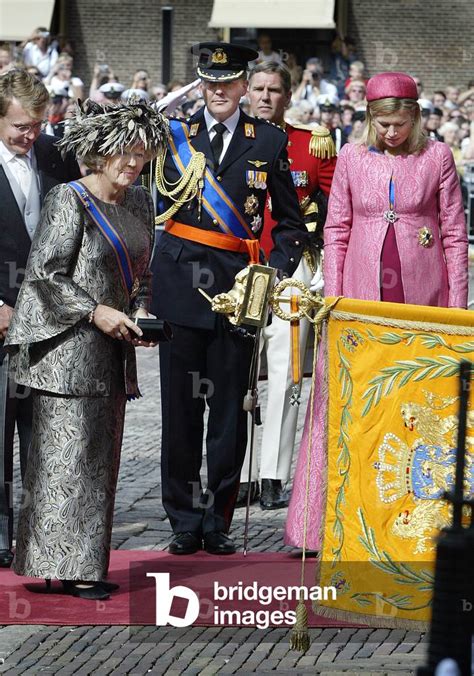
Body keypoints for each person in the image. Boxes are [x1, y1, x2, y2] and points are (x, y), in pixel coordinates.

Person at [285, 71, 468, 551]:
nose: (391, 132)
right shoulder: (350, 156)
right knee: (346, 400)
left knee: (416, 404)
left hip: (423, 295)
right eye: (383, 123)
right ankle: (321, 523)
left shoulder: (437, 157)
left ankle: (414, 522)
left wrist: (457, 308)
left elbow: (453, 233)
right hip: (360, 297)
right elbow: (337, 228)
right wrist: (335, 301)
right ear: (370, 119)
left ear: (416, 118)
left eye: (400, 123)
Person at [5, 98, 168, 597]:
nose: (133, 163)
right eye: (124, 153)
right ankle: (69, 569)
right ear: (98, 153)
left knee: (100, 459)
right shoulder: (68, 199)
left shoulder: (140, 201)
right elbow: (45, 274)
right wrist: (96, 311)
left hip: (112, 352)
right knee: (65, 459)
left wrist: (137, 311)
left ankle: (78, 563)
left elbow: (141, 271)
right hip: (66, 349)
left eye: (141, 154)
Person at [151, 42, 306, 555]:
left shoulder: (266, 141)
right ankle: (181, 517)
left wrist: (271, 275)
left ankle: (217, 516)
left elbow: (289, 224)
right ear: (201, 84)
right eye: (209, 81)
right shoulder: (176, 136)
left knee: (228, 413)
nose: (218, 90)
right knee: (179, 413)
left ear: (244, 84)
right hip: (179, 289)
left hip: (236, 294)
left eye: (228, 81)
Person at [238, 61, 336, 509]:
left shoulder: (311, 145)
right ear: (244, 91)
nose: (264, 96)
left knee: (287, 371)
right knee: (235, 369)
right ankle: (237, 472)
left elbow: (339, 210)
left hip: (291, 267)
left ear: (289, 95)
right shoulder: (227, 140)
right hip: (236, 266)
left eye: (274, 89)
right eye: (257, 88)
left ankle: (273, 473)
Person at [0, 69, 80, 569]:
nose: (30, 137)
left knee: (44, 438)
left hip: (46, 325)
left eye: (36, 125)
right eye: (20, 128)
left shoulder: (52, 154)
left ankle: (39, 540)